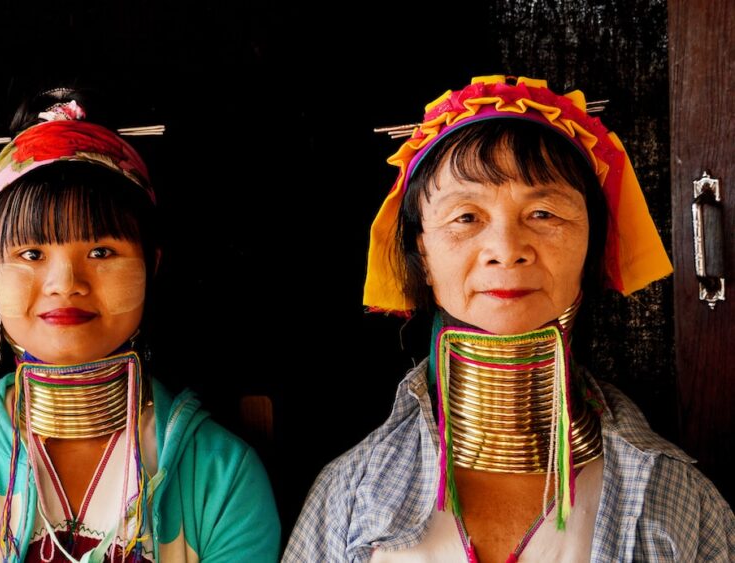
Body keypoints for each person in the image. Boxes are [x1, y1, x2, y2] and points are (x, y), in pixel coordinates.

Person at [284, 76, 735, 562]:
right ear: (423, 252)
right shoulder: (348, 497)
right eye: (466, 217)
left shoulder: (678, 502)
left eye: (543, 213)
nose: (505, 250)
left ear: (592, 246)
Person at [0, 90, 280, 561]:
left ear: (152, 266)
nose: (65, 284)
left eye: (101, 252)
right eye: (31, 254)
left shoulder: (220, 478)